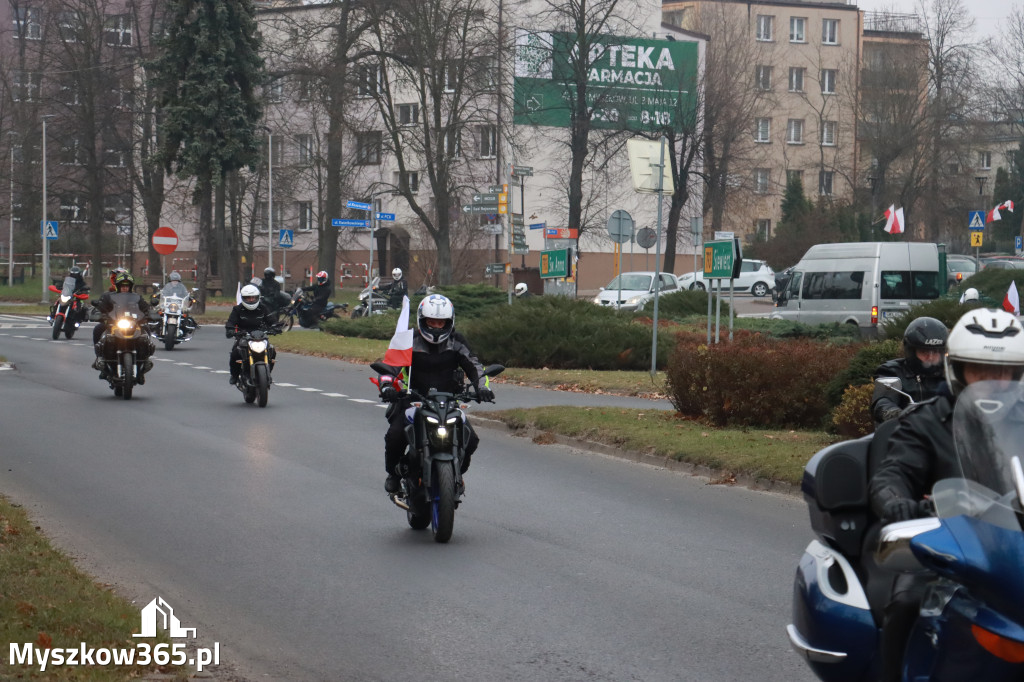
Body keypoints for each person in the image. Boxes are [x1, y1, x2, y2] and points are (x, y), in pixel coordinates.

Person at [868, 308, 1024, 682]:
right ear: (958, 371)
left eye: (1003, 373)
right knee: (906, 603)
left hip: (1015, 547)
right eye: (981, 371)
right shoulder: (924, 421)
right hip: (950, 549)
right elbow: (893, 474)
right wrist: (897, 502)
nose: (993, 382)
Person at [378, 294, 494, 493]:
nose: (436, 327)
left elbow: (474, 365)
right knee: (395, 435)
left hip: (449, 401)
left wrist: (482, 388)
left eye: (440, 322)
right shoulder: (409, 340)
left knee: (471, 440)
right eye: (431, 322)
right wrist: (387, 386)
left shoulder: (457, 341)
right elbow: (390, 366)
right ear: (422, 320)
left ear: (449, 322)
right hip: (413, 400)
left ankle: (456, 474)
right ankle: (394, 473)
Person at [870, 316, 948, 424]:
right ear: (911, 351)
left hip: (946, 433)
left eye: (935, 352)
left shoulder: (950, 374)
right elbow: (883, 402)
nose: (930, 357)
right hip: (903, 433)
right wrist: (895, 414)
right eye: (924, 352)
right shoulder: (893, 372)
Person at [91, 272, 156, 382]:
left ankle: (144, 360)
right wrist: (97, 313)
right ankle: (100, 358)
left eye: (127, 286)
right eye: (122, 286)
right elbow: (100, 307)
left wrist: (151, 314)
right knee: (98, 329)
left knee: (146, 330)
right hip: (114, 324)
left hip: (133, 324)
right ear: (118, 286)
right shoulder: (108, 297)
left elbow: (146, 308)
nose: (124, 288)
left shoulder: (137, 298)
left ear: (130, 287)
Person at [225, 284, 278, 385]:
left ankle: (267, 373)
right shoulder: (237, 309)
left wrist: (275, 326)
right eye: (248, 298)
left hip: (261, 335)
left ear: (258, 297)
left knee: (272, 351)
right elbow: (231, 322)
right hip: (243, 336)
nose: (251, 300)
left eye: (253, 297)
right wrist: (230, 330)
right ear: (243, 298)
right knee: (235, 353)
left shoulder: (263, 308)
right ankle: (234, 375)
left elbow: (271, 319)